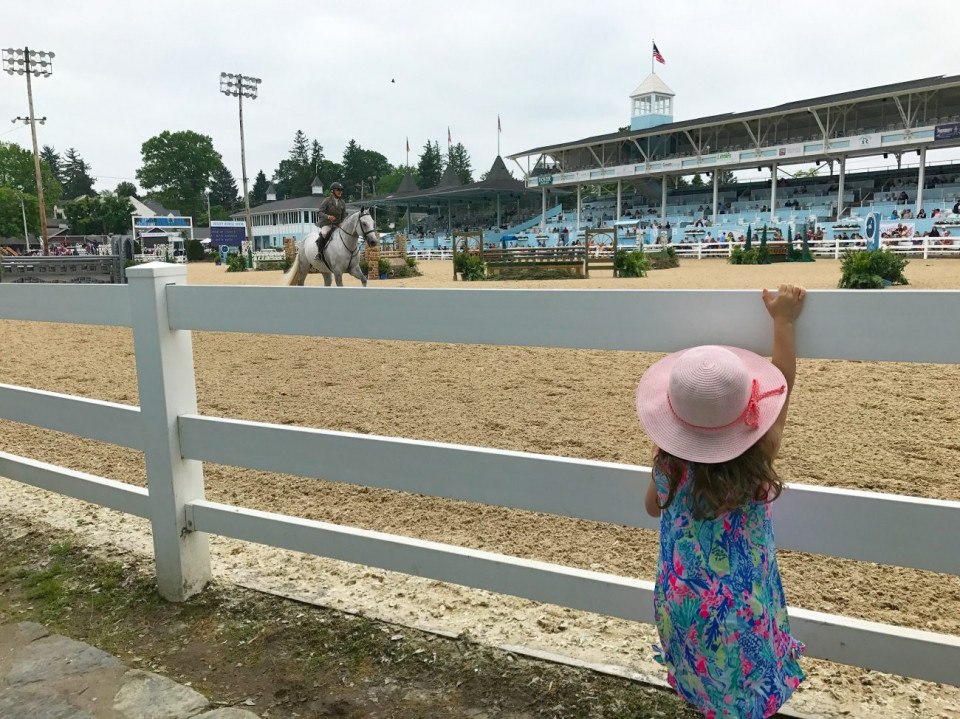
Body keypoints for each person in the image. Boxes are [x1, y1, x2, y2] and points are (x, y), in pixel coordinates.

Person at [636, 284, 807, 719]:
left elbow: (652, 507)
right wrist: (783, 321)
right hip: (744, 606)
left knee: (704, 681)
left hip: (685, 604)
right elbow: (783, 382)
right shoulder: (756, 462)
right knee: (743, 695)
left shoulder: (668, 468)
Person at [316, 182, 346, 258]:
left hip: (337, 225)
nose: (340, 192)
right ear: (332, 191)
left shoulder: (342, 202)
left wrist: (342, 222)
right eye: (338, 190)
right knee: (324, 233)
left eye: (341, 190)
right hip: (326, 224)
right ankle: (319, 253)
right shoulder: (327, 200)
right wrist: (328, 216)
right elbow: (320, 212)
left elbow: (344, 215)